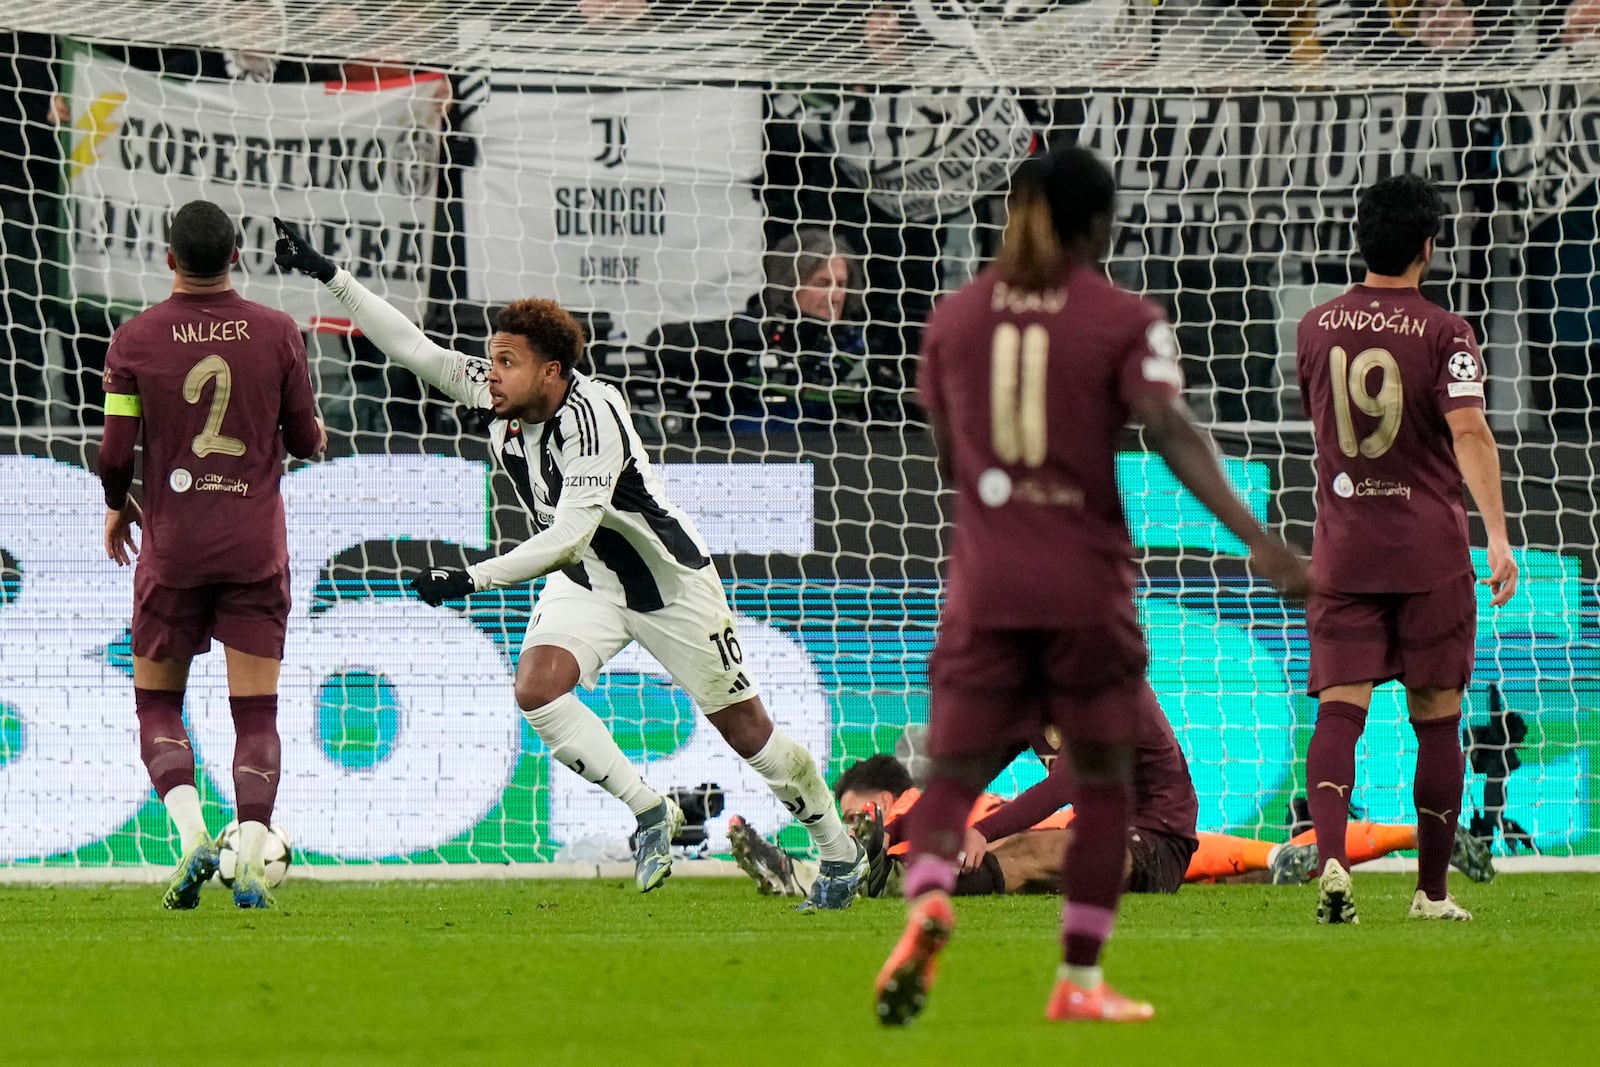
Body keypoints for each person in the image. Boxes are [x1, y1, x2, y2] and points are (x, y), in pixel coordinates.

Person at [272, 217, 870, 909]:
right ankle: (652, 810)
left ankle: (840, 853)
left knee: (748, 733)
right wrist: (329, 274)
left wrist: (470, 577)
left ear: (551, 371)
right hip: (588, 582)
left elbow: (564, 536)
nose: (490, 375)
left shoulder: (594, 418)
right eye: (491, 360)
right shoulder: (502, 398)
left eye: (508, 363)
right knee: (537, 688)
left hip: (667, 588)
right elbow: (418, 352)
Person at [872, 144, 1310, 1027]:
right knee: (1104, 778)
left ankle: (924, 902)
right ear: (1100, 223)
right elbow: (1170, 428)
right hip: (1084, 579)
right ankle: (1078, 977)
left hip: (987, 575)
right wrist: (1262, 543)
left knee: (952, 776)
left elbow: (953, 455)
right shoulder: (1122, 317)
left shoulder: (953, 319)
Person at [1295, 173, 1518, 925]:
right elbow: (1470, 431)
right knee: (1436, 717)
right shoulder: (1449, 332)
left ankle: (1330, 860)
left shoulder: (1315, 326)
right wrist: (1496, 534)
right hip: (1428, 552)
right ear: (1430, 246)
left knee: (1339, 713)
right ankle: (1430, 892)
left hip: (1345, 548)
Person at [98, 200, 326, 910]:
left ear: (169, 259)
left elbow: (113, 454)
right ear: (238, 255)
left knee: (158, 701)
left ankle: (196, 836)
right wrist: (309, 431)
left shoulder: (134, 340)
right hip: (255, 545)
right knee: (255, 713)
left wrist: (117, 502)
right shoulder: (278, 333)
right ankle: (251, 857)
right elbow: (307, 440)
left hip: (175, 548)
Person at [642, 227, 877, 437]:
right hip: (752, 465)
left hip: (835, 465)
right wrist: (759, 337)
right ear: (788, 284)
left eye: (841, 285)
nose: (835, 296)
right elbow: (660, 343)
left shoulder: (854, 345)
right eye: (823, 284)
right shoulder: (752, 330)